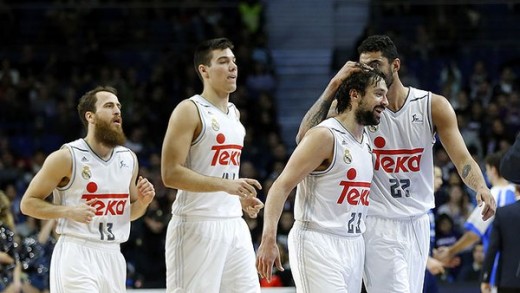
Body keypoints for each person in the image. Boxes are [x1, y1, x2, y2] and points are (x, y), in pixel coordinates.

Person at [296, 34, 496, 293]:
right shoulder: (359, 109)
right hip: (378, 221)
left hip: (419, 221)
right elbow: (304, 138)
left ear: (395, 66)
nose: (369, 70)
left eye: (376, 64)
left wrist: (480, 186)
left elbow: (462, 158)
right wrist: (334, 85)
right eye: (364, 65)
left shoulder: (432, 106)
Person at [257, 69, 389, 292]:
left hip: (353, 243)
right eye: (378, 94)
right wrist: (268, 238)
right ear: (355, 95)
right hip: (318, 242)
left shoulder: (366, 140)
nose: (385, 101)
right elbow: (281, 186)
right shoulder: (325, 135)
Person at [20, 86, 156, 292]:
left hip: (113, 255)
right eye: (109, 106)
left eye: (118, 106)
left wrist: (143, 203)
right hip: (77, 253)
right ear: (90, 116)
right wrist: (67, 211)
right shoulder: (66, 156)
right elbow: (27, 204)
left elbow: (128, 214)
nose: (117, 111)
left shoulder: (129, 158)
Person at [161, 37, 264, 293]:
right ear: (203, 70)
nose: (232, 67)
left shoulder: (234, 114)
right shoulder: (189, 110)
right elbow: (170, 173)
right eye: (223, 61)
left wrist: (237, 198)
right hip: (197, 224)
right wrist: (227, 186)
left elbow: (220, 174)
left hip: (233, 223)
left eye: (234, 61)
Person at [434, 151, 516, 289]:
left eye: (487, 170)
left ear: (493, 170)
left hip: (499, 269)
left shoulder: (493, 195)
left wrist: (450, 251)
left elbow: (473, 234)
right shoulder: (516, 192)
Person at [481, 200, 520, 293]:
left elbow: (492, 248)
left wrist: (485, 278)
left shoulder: (503, 212)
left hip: (509, 280)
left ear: (516, 189)